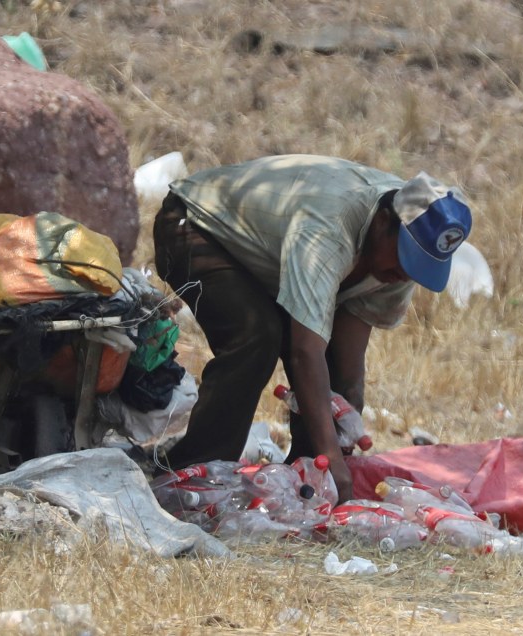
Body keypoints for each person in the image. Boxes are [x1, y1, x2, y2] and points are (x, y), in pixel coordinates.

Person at [152, 154, 473, 502]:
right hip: (192, 224)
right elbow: (304, 353)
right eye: (406, 256)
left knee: (331, 385)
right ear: (383, 222)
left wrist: (346, 424)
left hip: (264, 259)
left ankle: (306, 486)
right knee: (258, 337)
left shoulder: (400, 257)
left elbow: (347, 356)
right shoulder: (328, 229)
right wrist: (331, 455)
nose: (406, 273)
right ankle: (192, 478)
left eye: (419, 265)